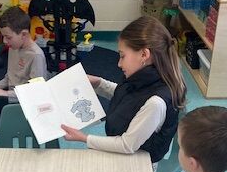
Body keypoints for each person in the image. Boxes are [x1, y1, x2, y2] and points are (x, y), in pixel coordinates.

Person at [61, 16, 186, 163]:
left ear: (144, 55)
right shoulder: (146, 76)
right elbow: (131, 97)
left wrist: (83, 138)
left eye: (122, 56)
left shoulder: (156, 103)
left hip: (138, 163)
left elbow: (127, 145)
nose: (119, 64)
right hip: (125, 148)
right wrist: (98, 83)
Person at [0, 5, 48, 99]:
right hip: (11, 95)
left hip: (24, 103)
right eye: (3, 37)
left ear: (23, 34)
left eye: (8, 37)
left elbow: (36, 91)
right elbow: (10, 77)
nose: (4, 41)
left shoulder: (36, 56)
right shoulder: (13, 47)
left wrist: (6, 93)